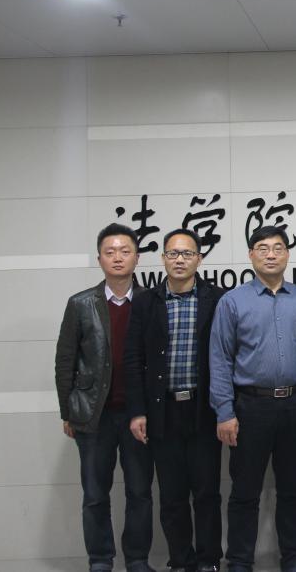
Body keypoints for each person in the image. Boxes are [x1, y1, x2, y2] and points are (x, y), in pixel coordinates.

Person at [210, 225, 296, 572]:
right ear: (251, 255)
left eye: (278, 248)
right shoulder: (232, 302)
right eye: (263, 248)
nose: (271, 254)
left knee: (293, 488)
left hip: (295, 404)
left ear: (287, 254)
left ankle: (294, 559)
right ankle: (239, 561)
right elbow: (220, 360)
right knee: (245, 491)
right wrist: (224, 412)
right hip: (250, 407)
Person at [55, 223, 155, 572]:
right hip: (93, 416)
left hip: (138, 415)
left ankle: (138, 559)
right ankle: (100, 559)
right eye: (110, 252)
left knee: (140, 493)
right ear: (99, 259)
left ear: (137, 258)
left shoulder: (150, 301)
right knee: (95, 495)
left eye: (125, 251)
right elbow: (65, 360)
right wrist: (68, 411)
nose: (117, 258)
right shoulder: (81, 304)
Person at [125, 229, 226, 572]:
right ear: (163, 258)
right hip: (162, 410)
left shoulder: (217, 299)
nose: (179, 260)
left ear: (200, 259)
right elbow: (133, 359)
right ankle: (181, 560)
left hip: (203, 409)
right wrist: (137, 411)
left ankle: (209, 560)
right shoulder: (146, 302)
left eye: (187, 254)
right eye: (172, 253)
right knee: (171, 495)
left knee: (207, 492)